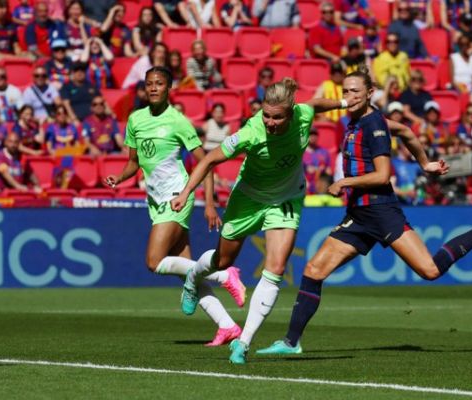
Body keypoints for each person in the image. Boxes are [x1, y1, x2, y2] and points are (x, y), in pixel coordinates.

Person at [256, 67, 472, 358]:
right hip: (359, 215)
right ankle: (291, 341)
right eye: (346, 91)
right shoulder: (357, 118)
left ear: (371, 93)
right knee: (313, 270)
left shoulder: (374, 126)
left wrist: (344, 181)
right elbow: (406, 131)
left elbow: (383, 175)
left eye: (356, 91)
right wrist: (425, 163)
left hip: (382, 210)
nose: (350, 96)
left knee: (430, 270)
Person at [170, 77, 353, 364]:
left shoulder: (302, 114)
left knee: (276, 268)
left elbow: (316, 105)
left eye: (277, 117)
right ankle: (193, 278)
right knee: (223, 261)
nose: (269, 122)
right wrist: (185, 193)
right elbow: (208, 160)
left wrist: (344, 103)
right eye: (266, 115)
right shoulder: (250, 132)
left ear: (290, 113)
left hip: (286, 199)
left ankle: (243, 344)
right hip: (248, 200)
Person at [104, 66, 246, 347]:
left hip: (177, 195)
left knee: (154, 262)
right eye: (149, 84)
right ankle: (227, 326)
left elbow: (206, 163)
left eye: (159, 83)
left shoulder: (179, 122)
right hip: (156, 201)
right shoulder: (135, 120)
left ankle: (223, 273)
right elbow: (134, 162)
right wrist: (119, 177)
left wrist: (208, 204)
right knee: (190, 275)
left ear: (169, 88)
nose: (153, 88)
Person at [303, 126, 333, 195]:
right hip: (305, 188)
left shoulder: (324, 152)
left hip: (321, 189)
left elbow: (329, 170)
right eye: (310, 134)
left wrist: (322, 170)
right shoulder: (301, 153)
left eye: (315, 134)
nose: (313, 136)